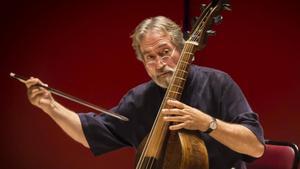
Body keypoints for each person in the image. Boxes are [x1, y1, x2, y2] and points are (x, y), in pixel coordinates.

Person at [25, 16, 265, 169]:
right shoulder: (139, 99)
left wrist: (208, 123)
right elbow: (91, 133)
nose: (160, 64)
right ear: (143, 62)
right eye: (150, 57)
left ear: (181, 50)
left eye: (165, 52)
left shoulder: (218, 83)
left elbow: (255, 147)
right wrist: (50, 106)